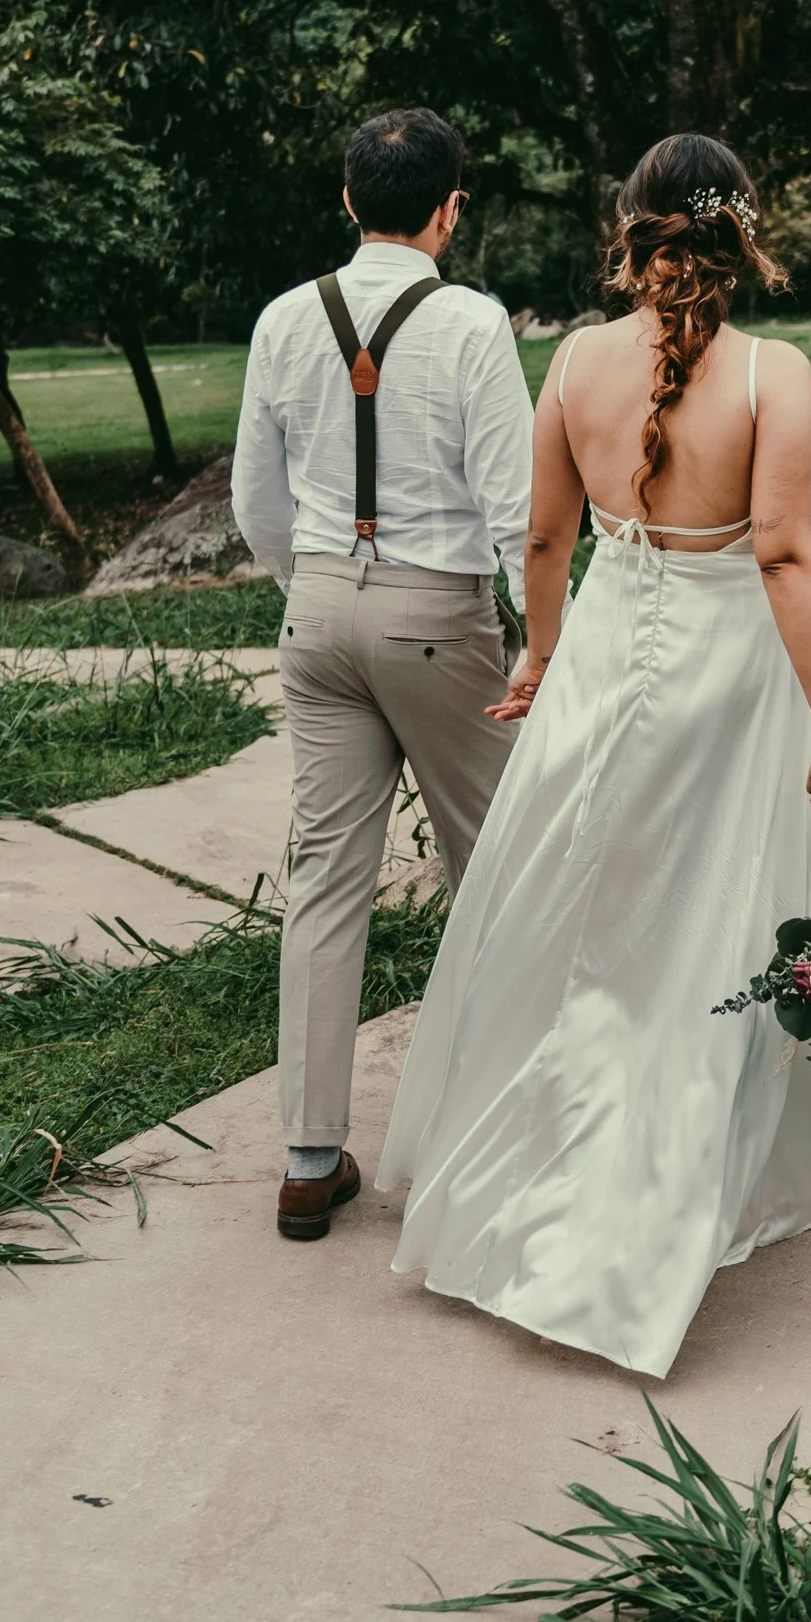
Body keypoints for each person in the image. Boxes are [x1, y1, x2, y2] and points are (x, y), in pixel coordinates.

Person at [377, 131, 811, 1378]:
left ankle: (521, 1170)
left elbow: (545, 540)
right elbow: (780, 554)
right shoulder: (775, 371)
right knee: (707, 920)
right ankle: (652, 1197)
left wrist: (541, 656)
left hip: (603, 655)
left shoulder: (575, 361)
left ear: (632, 225)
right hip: (727, 673)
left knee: (576, 918)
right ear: (741, 226)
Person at [232, 108, 534, 1244]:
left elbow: (253, 499)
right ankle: (507, 1121)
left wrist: (306, 582)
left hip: (315, 611)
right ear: (452, 210)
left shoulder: (279, 318)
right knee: (497, 864)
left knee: (323, 880)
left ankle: (310, 1156)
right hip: (436, 616)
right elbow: (514, 503)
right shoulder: (469, 320)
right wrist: (544, 637)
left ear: (348, 201)